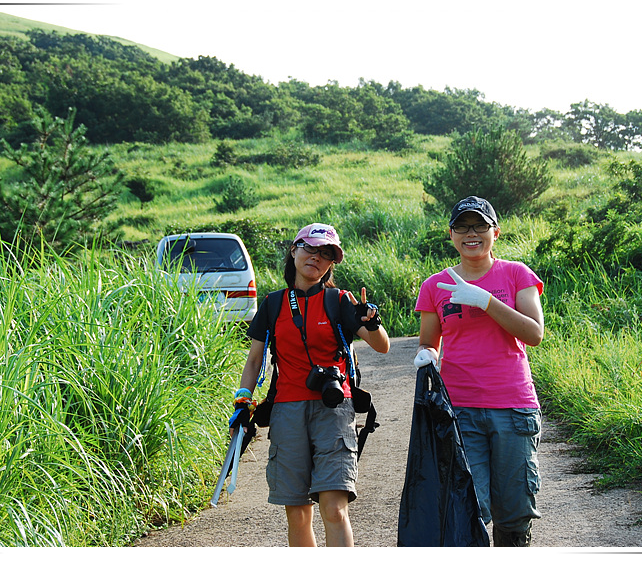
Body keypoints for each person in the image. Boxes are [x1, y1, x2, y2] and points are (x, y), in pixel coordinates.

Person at [232, 223, 390, 547]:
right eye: (311, 249)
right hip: (287, 410)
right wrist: (242, 402)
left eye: (326, 254)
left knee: (334, 509)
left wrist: (371, 323)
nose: (316, 258)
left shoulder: (340, 301)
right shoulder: (273, 304)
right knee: (299, 513)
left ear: (331, 264)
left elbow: (382, 345)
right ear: (294, 251)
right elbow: (253, 360)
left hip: (333, 408)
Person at [413, 196, 545, 547]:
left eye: (480, 226)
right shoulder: (435, 285)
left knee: (514, 513)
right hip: (460, 410)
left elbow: (534, 333)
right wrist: (426, 354)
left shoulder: (517, 274)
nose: (471, 234)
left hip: (514, 408)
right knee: (467, 506)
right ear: (452, 235)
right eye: (463, 227)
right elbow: (429, 342)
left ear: (495, 232)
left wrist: (484, 300)